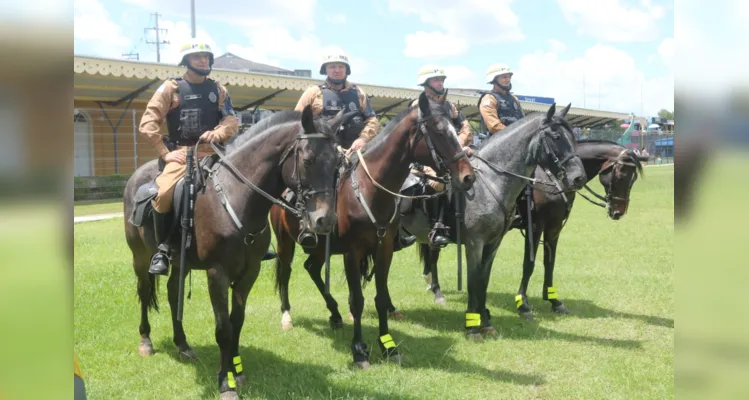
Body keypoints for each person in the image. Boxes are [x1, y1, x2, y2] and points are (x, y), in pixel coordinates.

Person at [139, 38, 274, 276]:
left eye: (206, 57)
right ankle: (164, 248)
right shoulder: (171, 88)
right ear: (186, 62)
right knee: (162, 195)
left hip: (217, 152)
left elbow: (231, 119)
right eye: (197, 57)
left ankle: (256, 242)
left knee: (251, 184)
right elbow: (148, 123)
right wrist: (166, 154)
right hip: (183, 154)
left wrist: (219, 132)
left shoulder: (219, 89)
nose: (203, 61)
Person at [410, 65, 473, 247]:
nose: (440, 83)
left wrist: (460, 141)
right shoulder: (418, 105)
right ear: (426, 83)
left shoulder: (449, 106)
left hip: (449, 155)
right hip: (424, 159)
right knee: (438, 182)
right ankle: (435, 226)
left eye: (442, 80)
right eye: (436, 80)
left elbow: (465, 126)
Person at [294, 52, 379, 153]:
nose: (337, 70)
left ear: (346, 70)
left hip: (356, 153)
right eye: (332, 67)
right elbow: (296, 121)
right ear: (325, 70)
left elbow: (372, 120)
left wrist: (363, 139)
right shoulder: (312, 92)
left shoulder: (359, 93)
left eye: (341, 66)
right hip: (323, 155)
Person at [478, 63, 525, 135]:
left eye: (509, 77)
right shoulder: (489, 99)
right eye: (504, 77)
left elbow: (523, 120)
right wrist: (515, 134)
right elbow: (494, 126)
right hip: (496, 142)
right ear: (494, 79)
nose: (508, 80)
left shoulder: (514, 99)